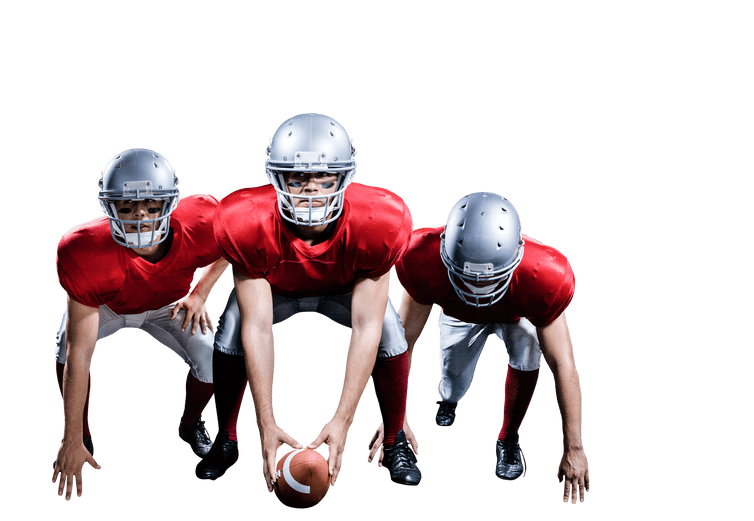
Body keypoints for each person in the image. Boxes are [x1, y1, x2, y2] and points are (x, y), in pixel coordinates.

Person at [194, 112, 423, 490]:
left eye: (324, 178)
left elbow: (366, 326)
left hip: (344, 290)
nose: (311, 190)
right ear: (276, 178)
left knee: (387, 326)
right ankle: (227, 438)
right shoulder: (245, 220)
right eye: (297, 179)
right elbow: (258, 326)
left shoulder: (380, 220)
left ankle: (395, 439)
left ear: (345, 178)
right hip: (275, 289)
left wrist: (342, 421)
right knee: (233, 325)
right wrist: (266, 423)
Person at [367, 191, 590, 504]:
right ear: (444, 252)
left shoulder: (543, 275)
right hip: (458, 315)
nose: (478, 289)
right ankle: (448, 400)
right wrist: (395, 419)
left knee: (529, 349)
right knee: (453, 377)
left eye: (489, 279)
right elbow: (402, 343)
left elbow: (563, 364)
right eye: (466, 277)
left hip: (517, 311)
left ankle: (508, 437)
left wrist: (574, 448)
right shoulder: (422, 257)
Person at [50, 148, 229, 501]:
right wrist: (70, 439)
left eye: (150, 204)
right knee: (66, 352)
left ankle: (190, 424)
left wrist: (201, 292)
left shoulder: (202, 220)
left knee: (214, 361)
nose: (140, 216)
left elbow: (233, 241)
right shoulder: (83, 249)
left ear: (170, 202)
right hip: (106, 305)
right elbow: (80, 354)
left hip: (169, 304)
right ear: (109, 206)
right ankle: (81, 433)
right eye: (128, 206)